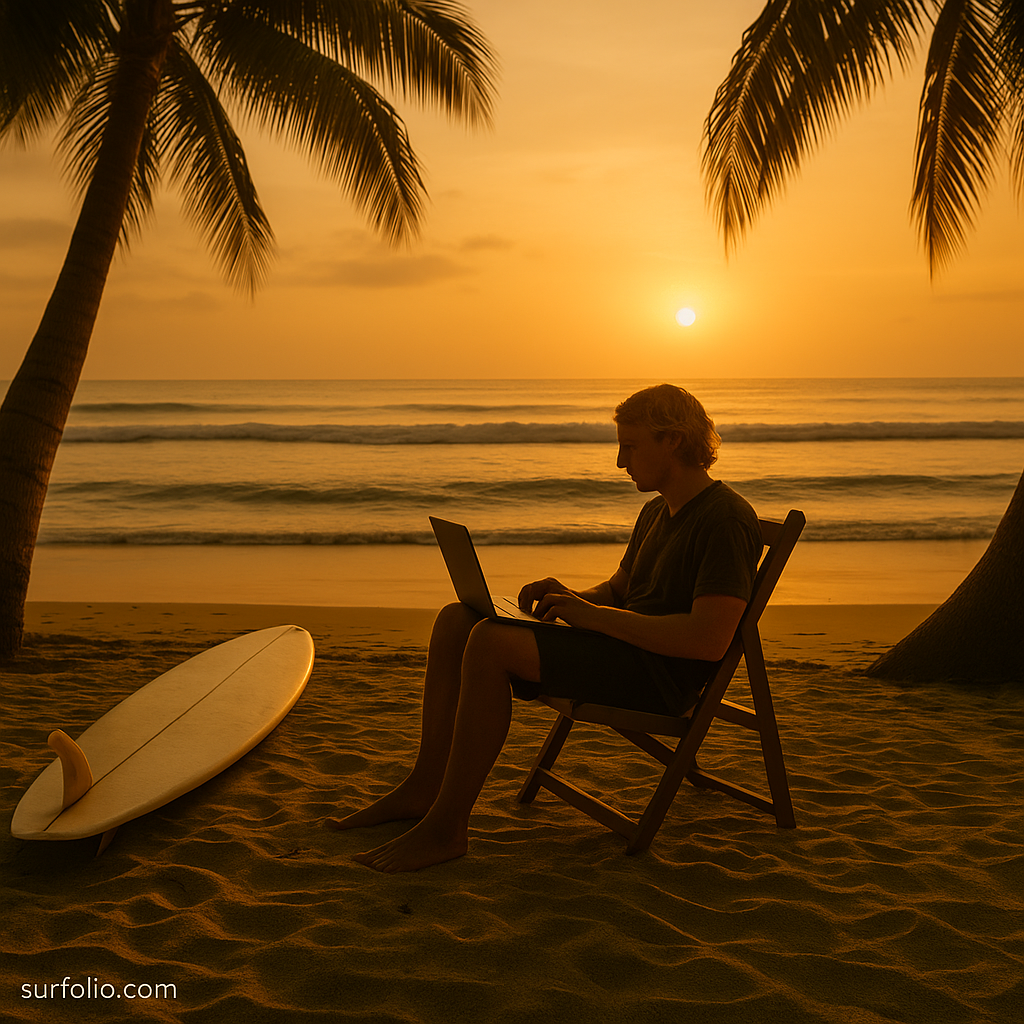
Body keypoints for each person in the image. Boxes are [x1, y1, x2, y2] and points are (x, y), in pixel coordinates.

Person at [327, 384, 762, 872]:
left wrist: (590, 617)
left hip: (658, 677)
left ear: (674, 441)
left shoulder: (725, 519)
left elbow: (708, 640)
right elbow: (620, 591)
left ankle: (447, 828)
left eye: (631, 446)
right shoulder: (657, 510)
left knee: (491, 644)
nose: (621, 462)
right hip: (618, 650)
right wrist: (572, 598)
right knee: (457, 619)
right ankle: (422, 788)